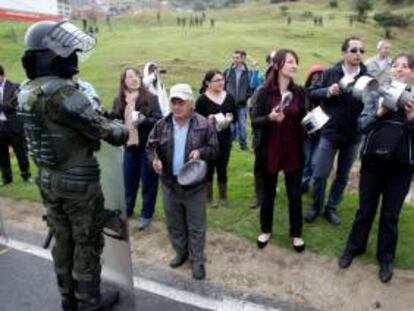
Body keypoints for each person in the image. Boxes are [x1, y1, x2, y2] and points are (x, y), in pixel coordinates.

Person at [18, 20, 128, 310]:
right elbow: (114, 134)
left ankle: (67, 296)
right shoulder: (63, 93)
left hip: (48, 178)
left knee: (63, 240)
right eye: (67, 51)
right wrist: (117, 124)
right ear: (51, 55)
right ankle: (89, 298)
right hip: (78, 182)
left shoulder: (27, 91)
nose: (73, 57)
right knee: (87, 240)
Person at [338, 53, 414, 283]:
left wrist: (411, 119)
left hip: (401, 169)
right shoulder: (376, 92)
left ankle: (386, 258)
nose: (398, 70)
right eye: (395, 66)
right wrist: (379, 113)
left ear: (412, 73)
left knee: (390, 215)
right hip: (372, 164)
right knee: (365, 209)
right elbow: (361, 125)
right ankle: (354, 247)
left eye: (405, 67)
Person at [146, 83, 218, 280]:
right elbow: (150, 147)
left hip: (194, 186)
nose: (177, 106)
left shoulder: (204, 124)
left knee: (196, 226)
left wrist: (201, 152)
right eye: (173, 102)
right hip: (169, 183)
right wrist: (155, 159)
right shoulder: (161, 125)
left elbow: (214, 149)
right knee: (174, 223)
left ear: (191, 104)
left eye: (181, 102)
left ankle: (197, 260)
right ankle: (181, 253)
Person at [304, 36, 367, 226]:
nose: (358, 54)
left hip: (353, 135)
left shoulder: (367, 77)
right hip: (330, 132)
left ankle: (331, 208)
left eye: (361, 51)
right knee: (321, 173)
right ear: (344, 52)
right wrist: (327, 92)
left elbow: (371, 104)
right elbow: (312, 92)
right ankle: (315, 206)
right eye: (354, 50)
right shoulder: (330, 73)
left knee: (342, 175)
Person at [252, 49, 306, 252]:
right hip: (270, 149)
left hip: (293, 149)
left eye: (296, 62)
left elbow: (303, 118)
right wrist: (270, 118)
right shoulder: (263, 92)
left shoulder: (300, 92)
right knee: (268, 194)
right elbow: (255, 121)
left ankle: (297, 233)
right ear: (277, 65)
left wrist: (313, 123)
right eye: (290, 62)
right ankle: (266, 230)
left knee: (294, 193)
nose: (294, 65)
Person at [110, 66, 162, 230]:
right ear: (124, 81)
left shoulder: (151, 98)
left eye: (136, 76)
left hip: (147, 148)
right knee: (129, 181)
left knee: (148, 182)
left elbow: (159, 121)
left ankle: (146, 214)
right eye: (130, 77)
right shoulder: (119, 100)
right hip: (129, 147)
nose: (134, 79)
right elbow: (115, 117)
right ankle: (128, 210)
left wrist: (143, 120)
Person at [196, 69, 237, 207]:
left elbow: (235, 116)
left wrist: (229, 119)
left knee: (222, 166)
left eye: (222, 80)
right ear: (208, 83)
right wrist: (208, 119)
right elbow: (196, 121)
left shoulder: (229, 97)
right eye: (217, 80)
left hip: (225, 138)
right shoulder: (202, 99)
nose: (221, 83)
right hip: (207, 140)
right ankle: (209, 198)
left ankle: (223, 197)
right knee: (208, 167)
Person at [0, 65, 31, 186]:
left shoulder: (15, 87)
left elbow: (12, 104)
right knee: (2, 154)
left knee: (20, 152)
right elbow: (7, 105)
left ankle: (26, 175)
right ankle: (7, 179)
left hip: (13, 125)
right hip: (0, 126)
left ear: (2, 75)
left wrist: (4, 106)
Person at [301, 64, 325, 193]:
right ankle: (303, 184)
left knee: (315, 162)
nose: (316, 80)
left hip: (322, 134)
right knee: (306, 160)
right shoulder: (304, 93)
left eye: (320, 77)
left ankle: (310, 183)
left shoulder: (326, 95)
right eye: (314, 77)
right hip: (307, 133)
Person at [224, 50, 252, 151]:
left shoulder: (248, 73)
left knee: (242, 126)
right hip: (229, 104)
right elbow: (223, 86)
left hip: (242, 104)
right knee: (229, 126)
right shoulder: (227, 71)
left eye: (237, 57)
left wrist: (247, 98)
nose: (234, 60)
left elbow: (251, 88)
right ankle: (228, 145)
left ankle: (243, 146)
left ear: (243, 58)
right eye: (233, 57)